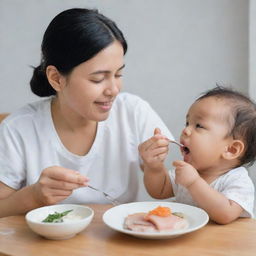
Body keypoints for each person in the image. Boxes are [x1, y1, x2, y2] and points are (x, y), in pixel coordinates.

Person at [0, 8, 173, 217]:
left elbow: (163, 188)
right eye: (98, 79)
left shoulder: (133, 112)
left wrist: (154, 166)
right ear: (56, 78)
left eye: (118, 74)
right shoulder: (19, 129)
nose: (113, 90)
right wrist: (34, 195)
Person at [139, 86, 256, 224]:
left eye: (199, 126)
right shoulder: (188, 172)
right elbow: (159, 191)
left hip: (225, 244)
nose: (186, 130)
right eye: (187, 123)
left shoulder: (237, 180)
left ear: (231, 149)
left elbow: (226, 214)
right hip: (190, 244)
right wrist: (154, 167)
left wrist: (194, 183)